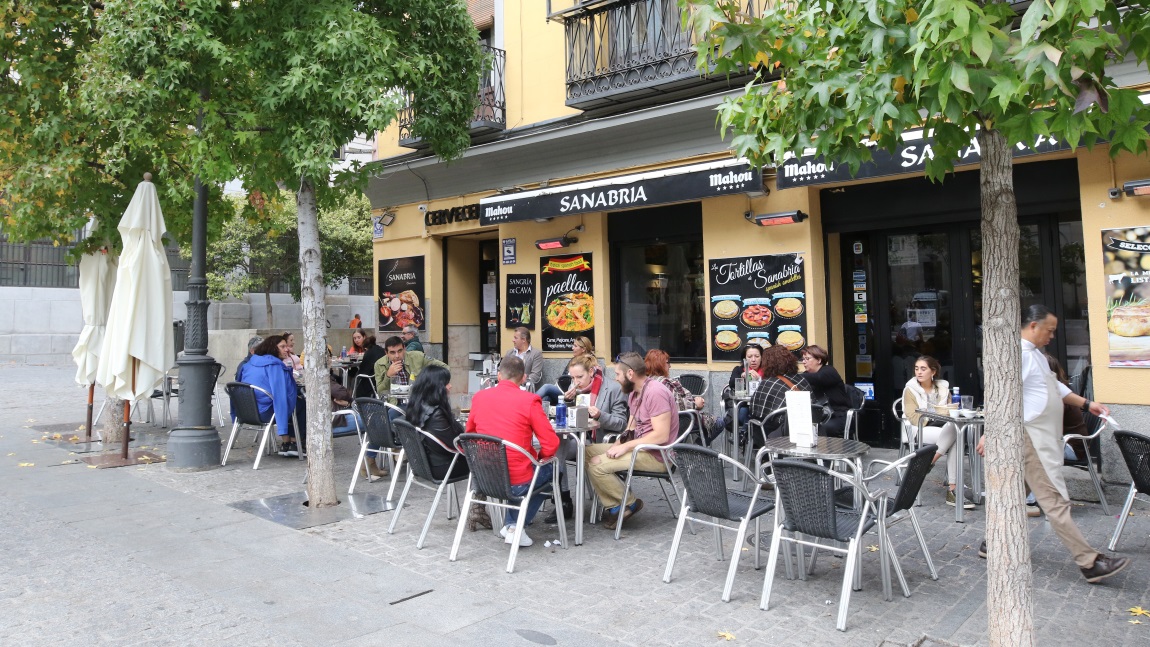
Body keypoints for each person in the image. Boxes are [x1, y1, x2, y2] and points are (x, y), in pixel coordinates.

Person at [976, 305, 1128, 583]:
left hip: (1042, 438)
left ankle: (990, 543)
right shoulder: (1017, 356)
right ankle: (1089, 562)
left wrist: (1087, 404)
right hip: (1031, 439)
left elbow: (1055, 388)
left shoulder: (1037, 356)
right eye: (1050, 330)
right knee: (1055, 501)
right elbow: (1001, 398)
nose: (1052, 335)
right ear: (1033, 326)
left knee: (1014, 490)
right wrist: (991, 433)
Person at [465, 356, 559, 547]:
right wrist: (539, 459)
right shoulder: (530, 400)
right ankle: (514, 526)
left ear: (499, 376)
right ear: (523, 378)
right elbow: (550, 444)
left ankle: (511, 525)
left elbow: (469, 435)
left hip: (484, 478)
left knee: (533, 474)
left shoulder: (479, 397)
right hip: (517, 480)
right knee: (553, 473)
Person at [584, 352, 679, 526]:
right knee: (585, 452)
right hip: (640, 448)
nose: (616, 379)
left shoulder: (655, 392)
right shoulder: (634, 393)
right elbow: (630, 428)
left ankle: (628, 503)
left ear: (630, 374)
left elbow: (661, 435)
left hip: (658, 456)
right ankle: (617, 506)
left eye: (618, 374)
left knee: (597, 465)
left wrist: (625, 448)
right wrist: (619, 443)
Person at [543, 353, 627, 524]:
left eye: (579, 377)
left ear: (591, 372)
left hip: (599, 441)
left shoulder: (612, 389)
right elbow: (569, 422)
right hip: (578, 439)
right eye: (573, 377)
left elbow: (621, 424)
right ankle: (563, 498)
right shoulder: (575, 391)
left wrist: (600, 415)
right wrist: (566, 403)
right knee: (557, 444)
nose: (576, 381)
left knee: (560, 445)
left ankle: (559, 494)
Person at [902, 355, 967, 508]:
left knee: (955, 428)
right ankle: (953, 489)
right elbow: (913, 417)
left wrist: (947, 411)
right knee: (956, 434)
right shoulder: (910, 390)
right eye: (917, 369)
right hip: (919, 429)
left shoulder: (942, 389)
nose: (919, 372)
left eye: (923, 369)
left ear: (933, 372)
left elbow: (952, 410)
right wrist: (937, 416)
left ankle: (928, 462)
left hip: (942, 427)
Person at [237, 335, 305, 456]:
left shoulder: (249, 364)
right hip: (265, 413)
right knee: (300, 403)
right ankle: (294, 443)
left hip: (246, 411)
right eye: (282, 347)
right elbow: (281, 395)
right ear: (272, 348)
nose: (287, 349)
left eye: (286, 346)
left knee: (291, 402)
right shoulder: (275, 366)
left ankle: (286, 443)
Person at [407, 364, 469, 481]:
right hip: (443, 467)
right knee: (487, 464)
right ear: (436, 387)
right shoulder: (437, 415)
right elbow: (456, 445)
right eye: (446, 383)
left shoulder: (416, 406)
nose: (450, 386)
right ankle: (478, 496)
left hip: (423, 464)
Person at [644, 349, 716, 435]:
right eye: (667, 363)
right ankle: (695, 447)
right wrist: (696, 404)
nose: (670, 366)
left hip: (653, 425)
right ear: (659, 365)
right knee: (718, 423)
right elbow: (677, 406)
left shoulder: (646, 382)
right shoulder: (664, 383)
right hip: (676, 423)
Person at [747, 344, 810, 442]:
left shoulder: (768, 383)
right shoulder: (801, 379)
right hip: (805, 432)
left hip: (778, 436)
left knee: (752, 423)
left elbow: (755, 410)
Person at [711, 343, 766, 443]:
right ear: (744, 359)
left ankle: (744, 434)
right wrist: (742, 376)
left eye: (757, 356)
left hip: (762, 408)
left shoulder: (766, 371)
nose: (753, 360)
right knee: (745, 412)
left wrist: (760, 379)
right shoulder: (739, 369)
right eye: (749, 356)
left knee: (755, 413)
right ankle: (746, 434)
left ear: (762, 358)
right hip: (743, 406)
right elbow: (732, 384)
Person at [801, 345, 850, 438]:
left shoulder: (829, 371)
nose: (803, 362)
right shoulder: (806, 375)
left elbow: (818, 378)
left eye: (807, 358)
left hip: (837, 414)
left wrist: (792, 376)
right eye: (803, 359)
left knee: (819, 428)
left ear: (819, 360)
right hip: (819, 415)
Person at [373, 335, 447, 394]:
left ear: (404, 349)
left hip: (417, 402)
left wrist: (434, 384)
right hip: (394, 404)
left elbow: (444, 367)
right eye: (392, 352)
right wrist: (388, 376)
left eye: (400, 351)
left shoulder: (417, 357)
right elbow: (380, 392)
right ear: (386, 353)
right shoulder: (379, 364)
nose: (397, 356)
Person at [536, 335, 595, 406]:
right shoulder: (573, 360)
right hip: (564, 390)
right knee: (547, 398)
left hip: (574, 393)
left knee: (547, 387)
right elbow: (563, 377)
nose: (572, 348)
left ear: (583, 349)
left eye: (575, 346)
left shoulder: (590, 363)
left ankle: (527, 402)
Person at [354, 334, 386, 398]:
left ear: (365, 348)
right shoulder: (381, 349)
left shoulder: (368, 353)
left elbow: (363, 371)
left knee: (356, 376)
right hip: (382, 376)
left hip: (371, 380)